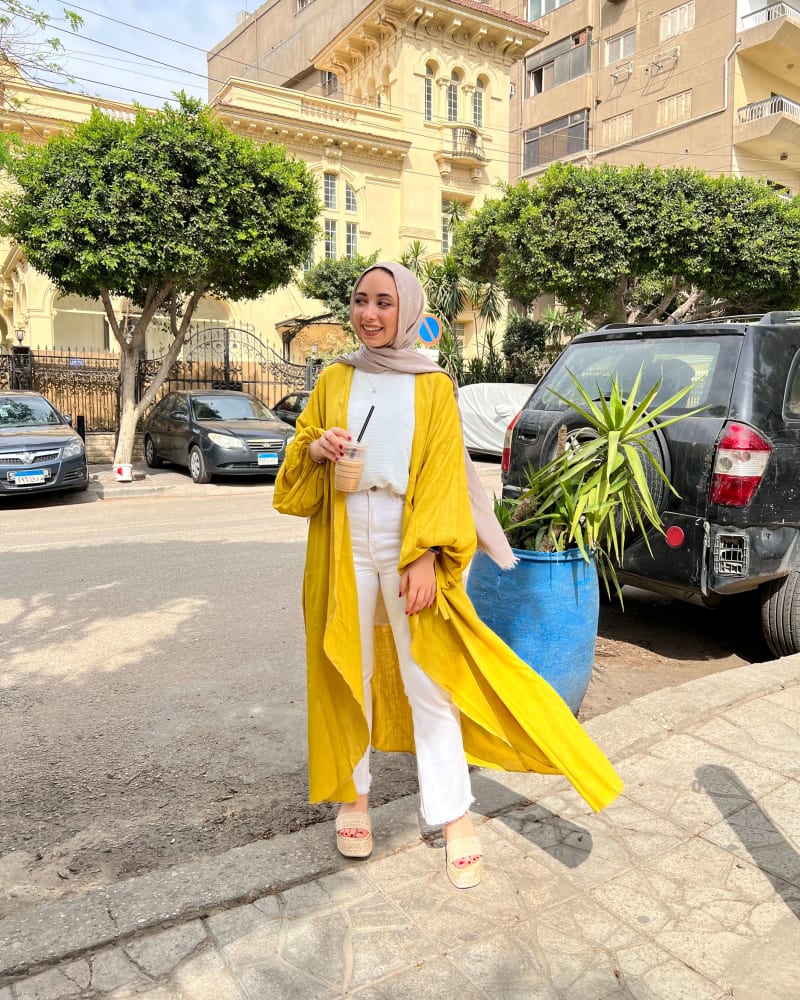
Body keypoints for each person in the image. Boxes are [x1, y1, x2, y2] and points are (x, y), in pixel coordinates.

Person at [273, 262, 623, 889]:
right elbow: (297, 464)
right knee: (345, 669)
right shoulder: (334, 378)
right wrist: (316, 449)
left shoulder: (433, 385)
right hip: (342, 538)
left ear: (406, 310)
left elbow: (440, 476)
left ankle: (453, 815)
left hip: (407, 539)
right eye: (360, 301)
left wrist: (427, 553)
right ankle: (354, 799)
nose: (370, 314)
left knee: (429, 678)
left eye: (384, 302)